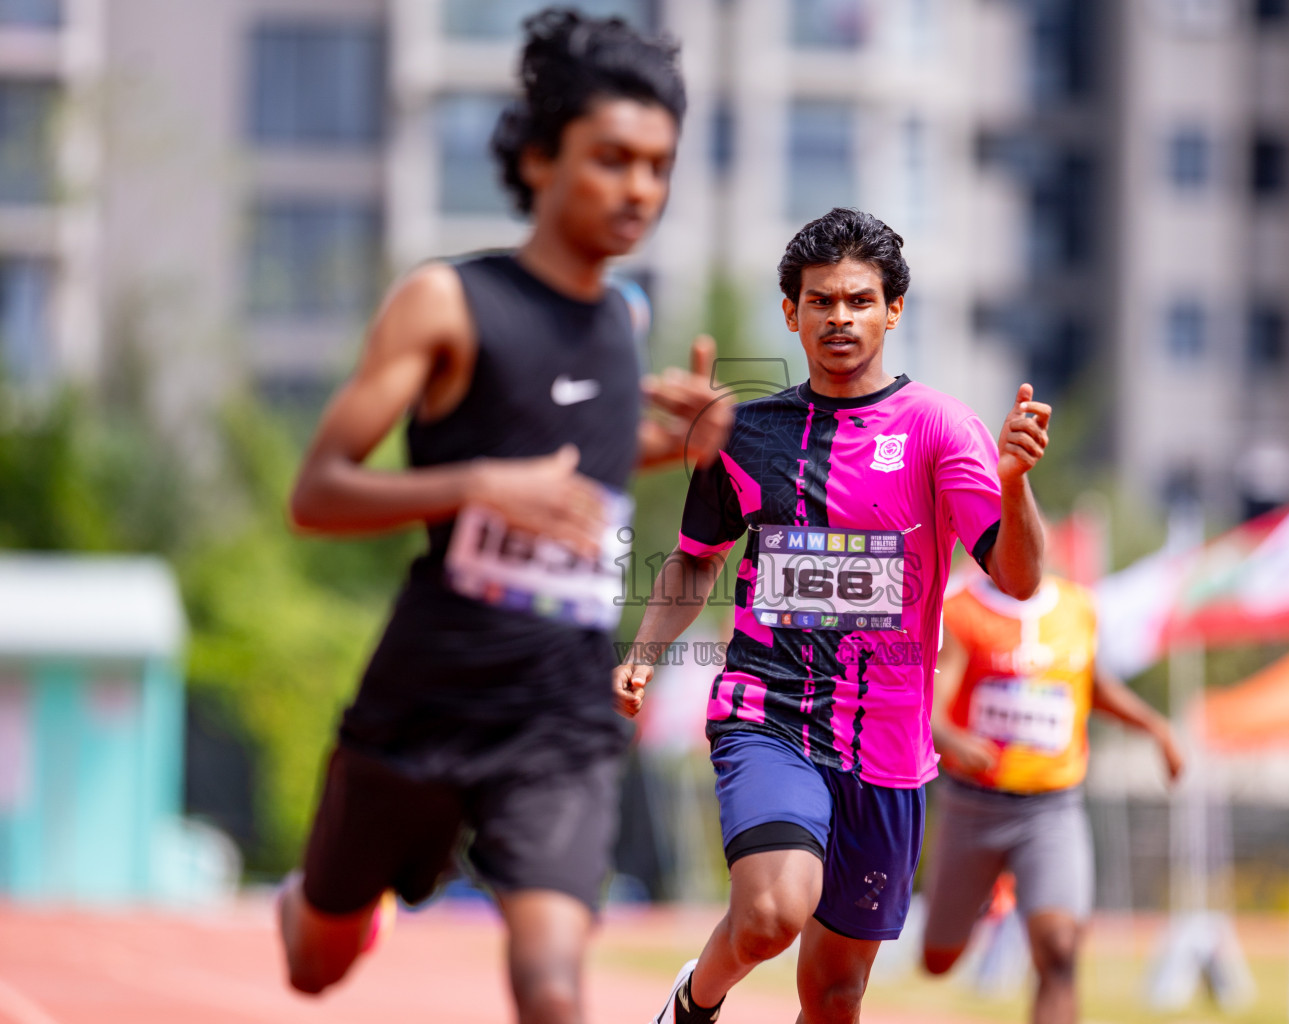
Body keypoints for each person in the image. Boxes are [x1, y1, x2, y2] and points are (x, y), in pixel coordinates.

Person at [276, 11, 730, 1024]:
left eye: (658, 166)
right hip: (426, 694)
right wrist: (477, 482)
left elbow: (586, 475)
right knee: (315, 962)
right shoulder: (445, 301)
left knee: (551, 986)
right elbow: (317, 492)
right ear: (537, 156)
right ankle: (352, 897)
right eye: (612, 159)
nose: (639, 190)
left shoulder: (627, 321)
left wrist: (699, 441)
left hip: (559, 709)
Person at [613, 206, 1054, 1024]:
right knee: (774, 911)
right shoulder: (745, 433)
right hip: (767, 712)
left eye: (858, 300)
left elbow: (1021, 581)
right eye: (821, 302)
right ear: (792, 313)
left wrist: (1017, 483)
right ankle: (694, 1002)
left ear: (892, 309)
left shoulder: (938, 428)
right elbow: (695, 558)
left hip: (888, 745)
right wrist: (643, 649)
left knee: (836, 992)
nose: (840, 318)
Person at [920, 564, 1184, 1024]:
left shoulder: (1078, 607)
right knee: (938, 960)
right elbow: (934, 709)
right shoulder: (960, 610)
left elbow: (1093, 686)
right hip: (974, 806)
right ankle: (979, 896)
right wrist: (954, 740)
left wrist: (1155, 727)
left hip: (1052, 808)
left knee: (1061, 954)